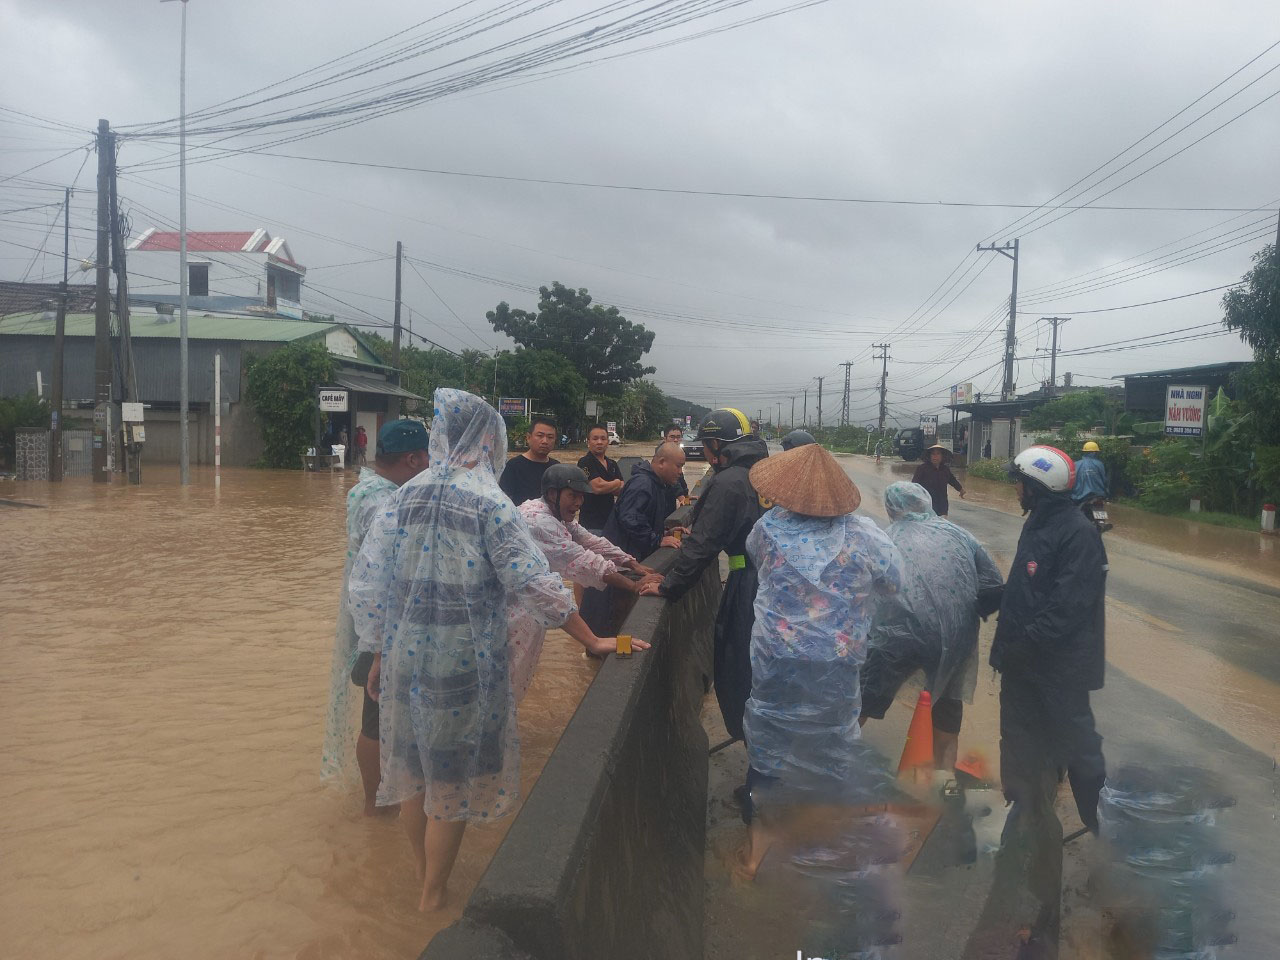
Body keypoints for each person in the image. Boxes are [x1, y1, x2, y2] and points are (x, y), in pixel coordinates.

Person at [349, 390, 608, 911]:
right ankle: (432, 894)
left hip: (404, 656)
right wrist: (591, 638)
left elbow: (373, 582)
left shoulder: (405, 494)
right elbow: (536, 582)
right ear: (489, 438)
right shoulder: (490, 502)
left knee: (413, 771)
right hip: (463, 660)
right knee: (453, 778)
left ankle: (421, 876)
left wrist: (379, 653)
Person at [739, 443, 903, 874]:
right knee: (831, 741)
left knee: (771, 736)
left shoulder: (768, 526)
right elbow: (893, 583)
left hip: (776, 652)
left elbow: (758, 562)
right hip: (836, 656)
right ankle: (822, 840)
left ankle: (756, 849)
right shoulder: (866, 534)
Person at [991, 444, 1107, 888]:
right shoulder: (1039, 523)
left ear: (1036, 488)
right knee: (1021, 746)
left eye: (1019, 482)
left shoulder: (1077, 533)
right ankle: (1027, 826)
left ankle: (1109, 838)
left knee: (1079, 755)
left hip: (1059, 672)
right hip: (1025, 669)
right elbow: (1032, 588)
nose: (1015, 489)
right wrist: (995, 598)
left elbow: (1068, 607)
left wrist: (1023, 644)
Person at [639, 408, 769, 753]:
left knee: (738, 668)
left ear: (715, 444)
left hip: (748, 584)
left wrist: (668, 585)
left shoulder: (729, 481)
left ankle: (759, 761)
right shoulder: (766, 473)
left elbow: (702, 546)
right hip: (775, 582)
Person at [321, 420, 431, 815]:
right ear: (413, 458)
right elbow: (388, 575)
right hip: (381, 627)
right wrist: (381, 645)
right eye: (428, 458)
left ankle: (382, 801)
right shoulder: (386, 502)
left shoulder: (366, 488)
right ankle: (375, 807)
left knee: (386, 717)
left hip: (371, 621)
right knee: (378, 720)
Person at [860, 482, 1004, 773]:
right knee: (948, 707)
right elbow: (993, 585)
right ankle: (944, 784)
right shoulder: (962, 535)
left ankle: (832, 774)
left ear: (890, 508)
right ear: (926, 503)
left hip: (896, 636)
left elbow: (862, 591)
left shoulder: (883, 540)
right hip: (953, 638)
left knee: (862, 699)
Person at [509, 464, 657, 699]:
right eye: (573, 495)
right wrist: (633, 585)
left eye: (581, 496)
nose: (579, 502)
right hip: (510, 607)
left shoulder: (555, 515)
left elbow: (592, 542)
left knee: (511, 683)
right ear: (552, 494)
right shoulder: (538, 521)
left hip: (523, 604)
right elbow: (583, 561)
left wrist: (631, 563)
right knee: (507, 678)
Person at [604, 441, 687, 560]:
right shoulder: (642, 484)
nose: (680, 472)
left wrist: (664, 533)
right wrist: (656, 540)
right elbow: (629, 519)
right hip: (621, 562)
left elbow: (644, 519)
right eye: (678, 466)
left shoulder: (657, 484)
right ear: (662, 462)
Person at [498, 415, 558, 505]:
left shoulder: (556, 468)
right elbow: (504, 500)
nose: (545, 441)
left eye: (550, 437)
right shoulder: (513, 466)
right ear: (528, 437)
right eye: (540, 436)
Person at [577, 425, 624, 533]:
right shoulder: (585, 462)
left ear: (607, 442)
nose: (599, 442)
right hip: (590, 524)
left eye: (603, 439)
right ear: (588, 442)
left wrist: (608, 485)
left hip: (610, 522)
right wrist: (616, 482)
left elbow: (621, 490)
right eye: (595, 439)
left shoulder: (612, 464)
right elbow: (597, 487)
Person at [911, 444, 965, 517]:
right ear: (929, 456)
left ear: (942, 456)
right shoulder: (922, 469)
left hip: (942, 506)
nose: (935, 456)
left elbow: (953, 481)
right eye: (933, 454)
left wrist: (961, 490)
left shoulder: (945, 469)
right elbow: (914, 485)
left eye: (938, 454)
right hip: (927, 506)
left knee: (941, 526)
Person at [663, 425, 690, 503]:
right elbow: (671, 477)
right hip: (662, 497)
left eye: (678, 437)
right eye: (672, 437)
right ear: (665, 439)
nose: (675, 440)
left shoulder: (677, 453)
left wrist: (686, 495)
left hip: (670, 497)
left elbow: (679, 476)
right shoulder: (663, 454)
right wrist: (681, 497)